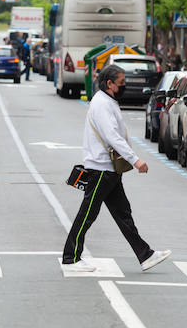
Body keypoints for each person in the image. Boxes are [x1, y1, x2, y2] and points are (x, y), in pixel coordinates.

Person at [62, 64, 170, 274]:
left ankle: (145, 254)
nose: (125, 86)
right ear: (109, 84)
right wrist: (135, 160)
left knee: (123, 214)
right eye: (121, 83)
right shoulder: (101, 104)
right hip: (101, 169)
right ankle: (71, 257)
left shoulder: (108, 101)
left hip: (110, 170)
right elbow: (112, 136)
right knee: (87, 214)